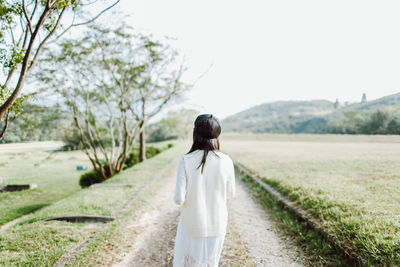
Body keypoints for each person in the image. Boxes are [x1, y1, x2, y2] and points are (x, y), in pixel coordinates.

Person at [172, 114, 236, 267]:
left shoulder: (186, 160)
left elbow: (178, 199)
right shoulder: (226, 160)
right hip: (218, 223)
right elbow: (231, 194)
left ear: (195, 133)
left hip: (192, 223)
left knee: (190, 262)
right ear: (217, 135)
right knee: (211, 262)